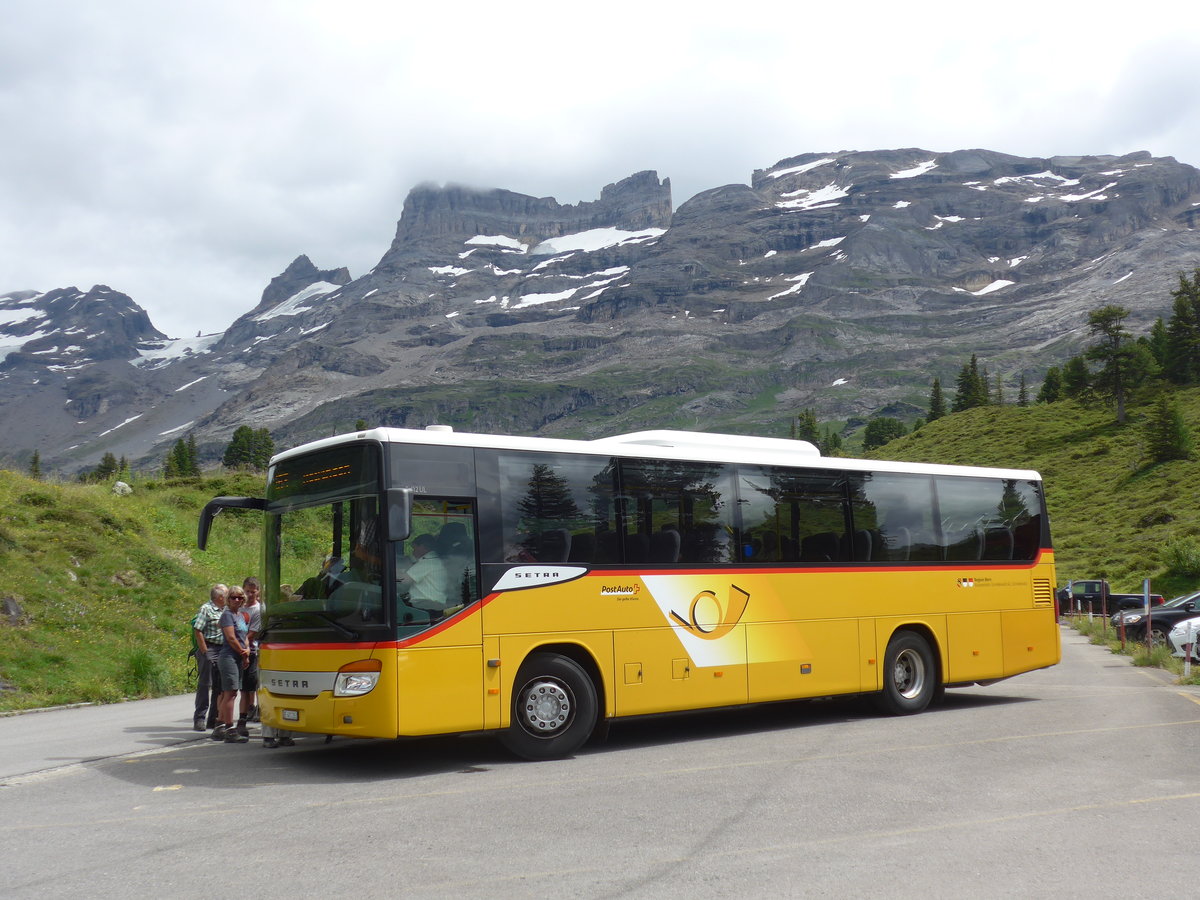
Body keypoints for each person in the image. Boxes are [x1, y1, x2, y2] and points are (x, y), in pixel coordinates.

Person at [213, 586, 251, 743]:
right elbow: (231, 638)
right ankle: (229, 729)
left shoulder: (240, 615)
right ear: (228, 599)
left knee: (231, 692)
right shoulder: (227, 615)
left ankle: (219, 726)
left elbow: (244, 636)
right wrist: (243, 652)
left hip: (238, 657)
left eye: (240, 598)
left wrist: (247, 650)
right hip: (229, 656)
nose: (237, 600)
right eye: (233, 597)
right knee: (231, 693)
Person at [192, 584, 227, 731]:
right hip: (209, 647)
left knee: (219, 686)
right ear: (219, 597)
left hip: (223, 649)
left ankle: (213, 719)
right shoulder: (206, 609)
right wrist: (205, 651)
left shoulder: (226, 610)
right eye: (226, 595)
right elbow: (198, 630)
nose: (229, 597)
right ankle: (200, 718)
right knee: (205, 683)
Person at [235, 576, 262, 735]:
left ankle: (252, 714)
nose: (250, 594)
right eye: (247, 591)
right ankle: (237, 719)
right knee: (237, 689)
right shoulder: (237, 607)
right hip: (236, 650)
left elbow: (252, 633)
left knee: (250, 686)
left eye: (253, 591)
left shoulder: (258, 610)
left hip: (251, 652)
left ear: (258, 592)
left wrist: (239, 644)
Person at [397, 533, 449, 610]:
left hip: (427, 605)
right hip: (432, 604)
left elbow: (404, 580)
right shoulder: (434, 560)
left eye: (414, 548)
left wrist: (392, 569)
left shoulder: (428, 562)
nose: (413, 552)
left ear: (422, 547)